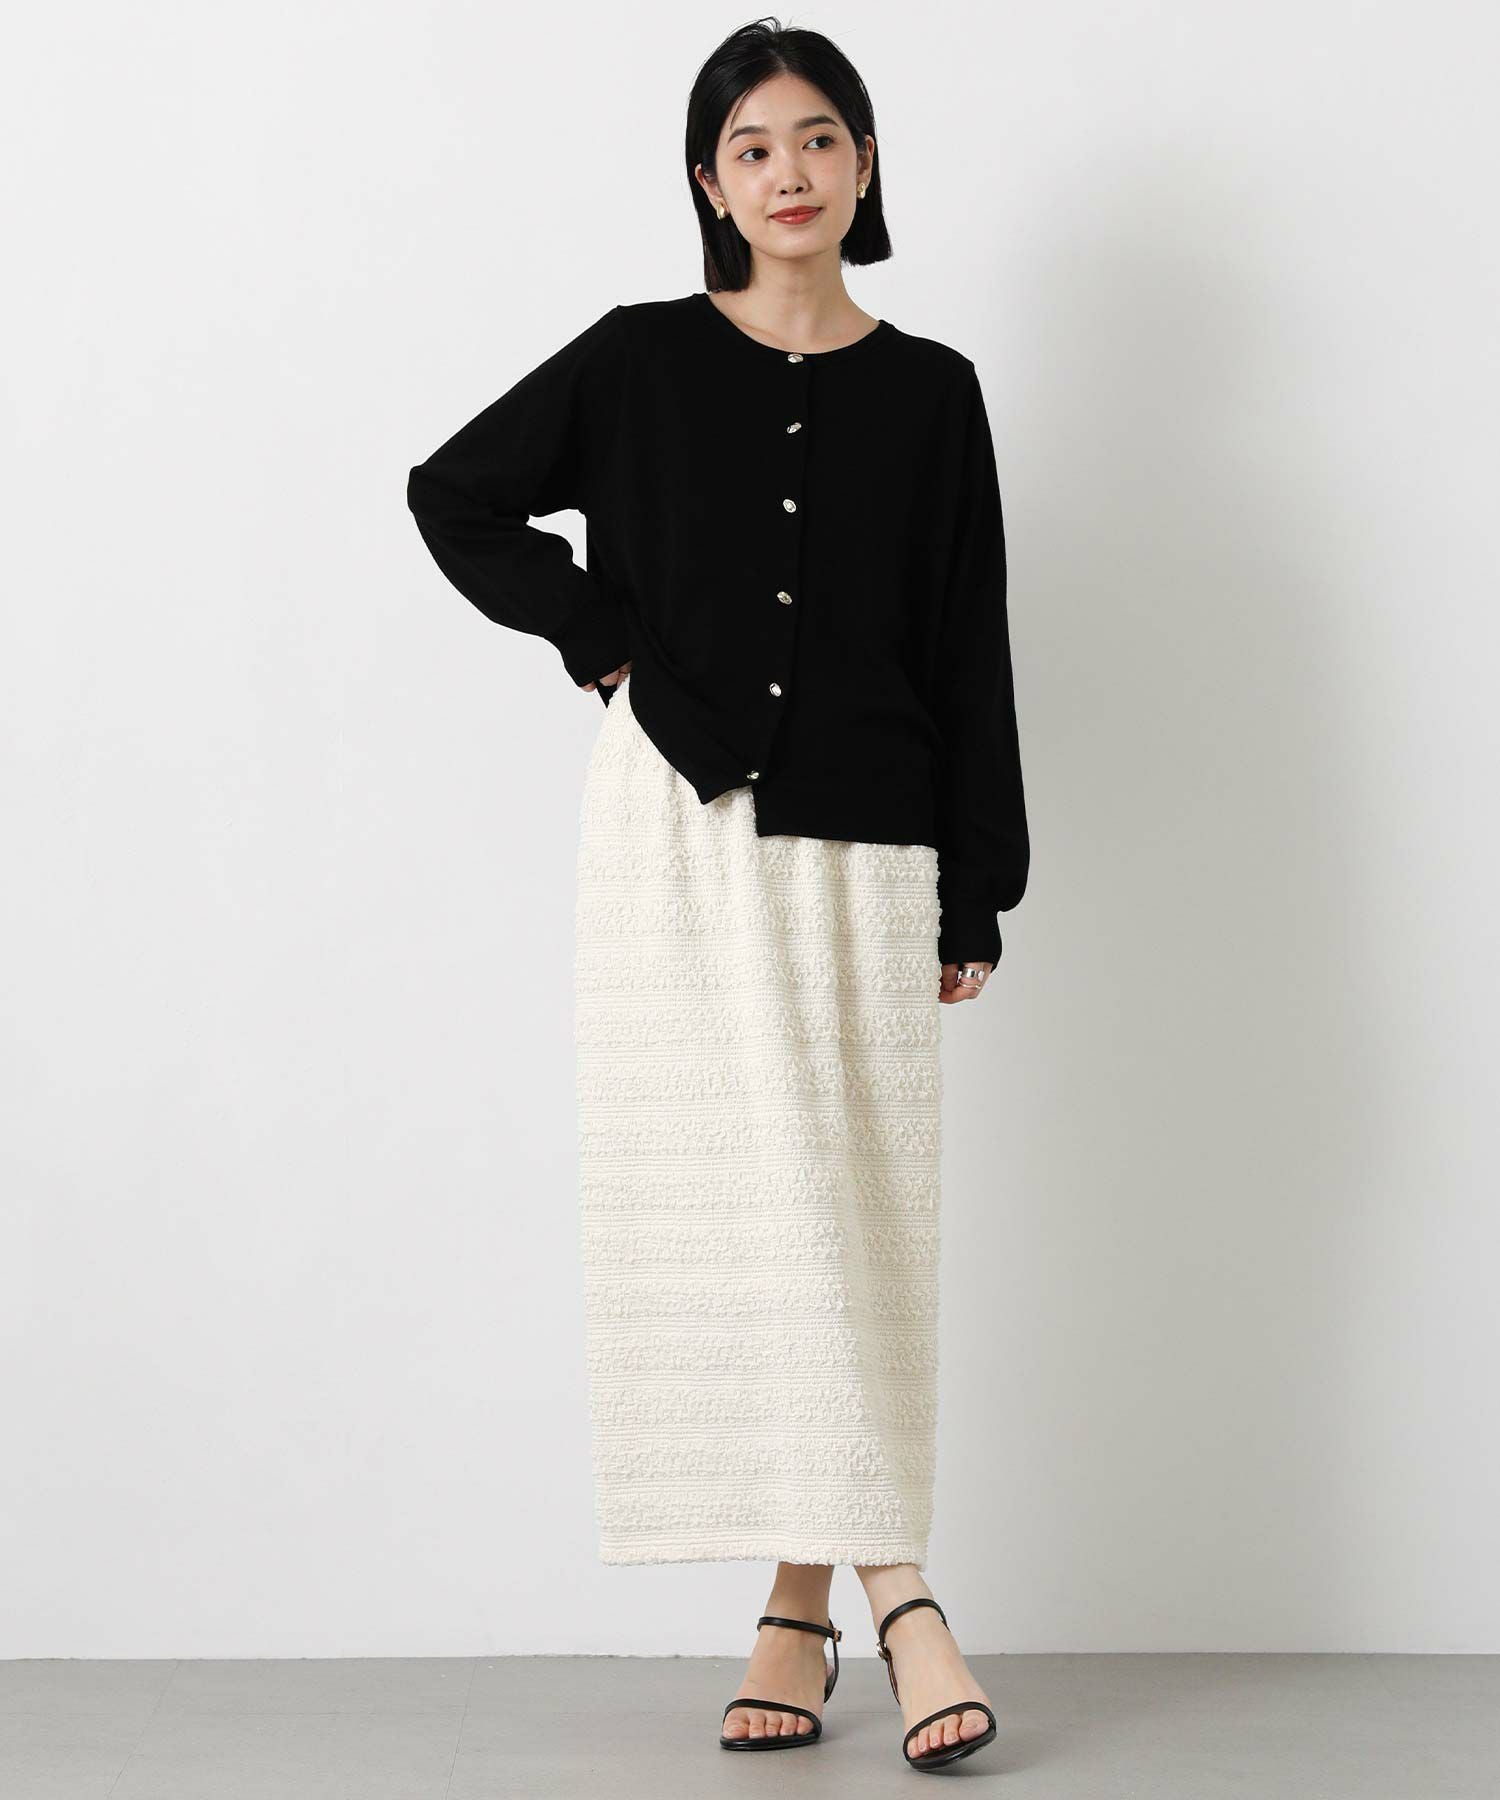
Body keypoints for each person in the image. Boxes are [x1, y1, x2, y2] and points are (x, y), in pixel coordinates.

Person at [405, 17, 1029, 1772]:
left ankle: (802, 1607)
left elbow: (967, 639)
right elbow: (454, 497)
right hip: (680, 832)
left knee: (847, 1208)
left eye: (818, 138)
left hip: (873, 839)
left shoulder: (934, 390)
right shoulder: (637, 362)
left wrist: (977, 886)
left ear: (866, 162)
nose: (789, 172)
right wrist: (606, 644)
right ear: (709, 182)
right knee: (756, 1210)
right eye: (752, 147)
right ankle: (898, 1597)